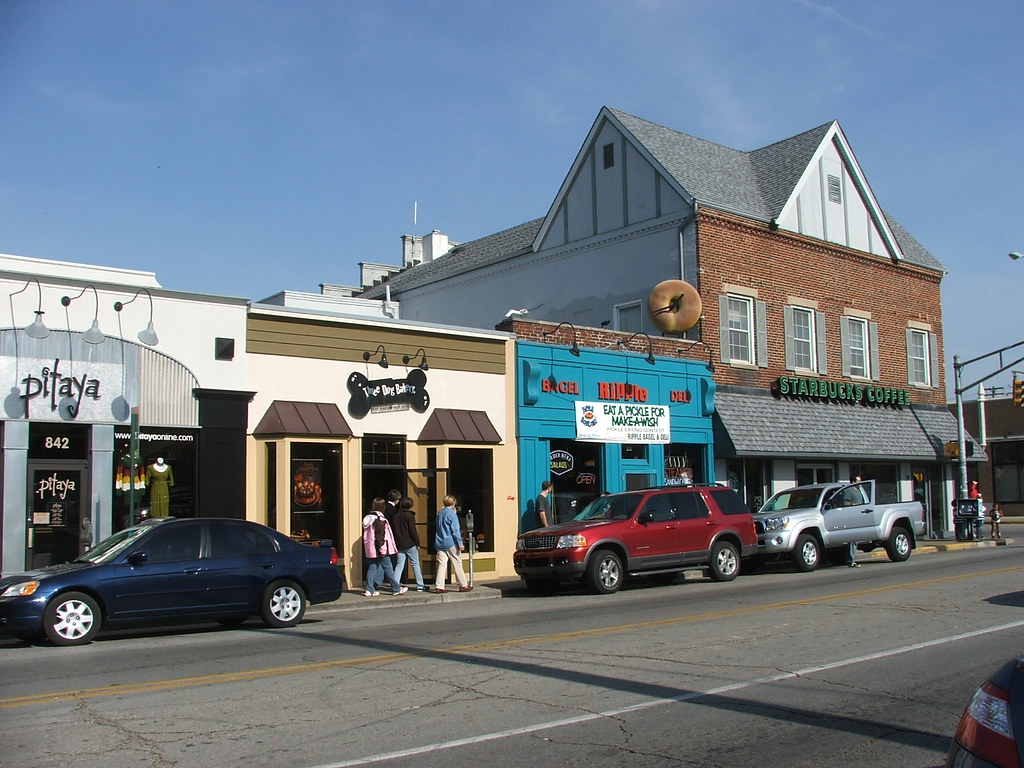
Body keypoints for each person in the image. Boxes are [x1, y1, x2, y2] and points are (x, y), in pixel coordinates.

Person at [362, 498, 406, 597]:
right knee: (388, 568)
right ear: (382, 507)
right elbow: (380, 537)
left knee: (372, 568)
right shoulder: (380, 520)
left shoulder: (368, 518)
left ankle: (369, 589)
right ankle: (396, 588)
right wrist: (382, 549)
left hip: (371, 549)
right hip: (380, 548)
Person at [434, 494, 472, 593]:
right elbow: (455, 530)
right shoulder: (452, 514)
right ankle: (462, 585)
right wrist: (460, 543)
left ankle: (439, 586)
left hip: (440, 541)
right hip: (451, 542)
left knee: (442, 564)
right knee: (457, 563)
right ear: (453, 503)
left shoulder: (440, 513)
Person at [393, 496, 426, 591]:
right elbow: (413, 531)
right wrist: (417, 542)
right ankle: (420, 585)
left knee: (399, 564)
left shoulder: (396, 516)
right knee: (415, 563)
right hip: (409, 543)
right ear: (410, 506)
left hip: (399, 543)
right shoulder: (409, 516)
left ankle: (395, 584)